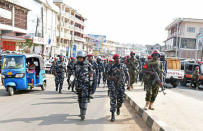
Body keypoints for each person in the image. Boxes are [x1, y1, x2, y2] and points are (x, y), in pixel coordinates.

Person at [108, 54, 130, 122]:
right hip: (113, 86)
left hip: (121, 86)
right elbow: (106, 75)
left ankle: (118, 107)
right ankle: (112, 115)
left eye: (119, 58)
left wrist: (128, 84)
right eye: (116, 58)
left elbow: (127, 74)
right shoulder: (111, 66)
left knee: (121, 100)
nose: (118, 59)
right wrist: (112, 78)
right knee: (113, 100)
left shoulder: (123, 66)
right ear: (114, 59)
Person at [73, 51, 93, 120]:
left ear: (84, 58)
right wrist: (71, 80)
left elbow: (91, 74)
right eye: (79, 58)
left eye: (81, 58)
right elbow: (73, 73)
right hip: (78, 84)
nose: (80, 59)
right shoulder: (75, 64)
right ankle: (81, 111)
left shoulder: (88, 64)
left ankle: (83, 114)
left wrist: (91, 84)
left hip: (85, 84)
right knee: (79, 99)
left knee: (84, 99)